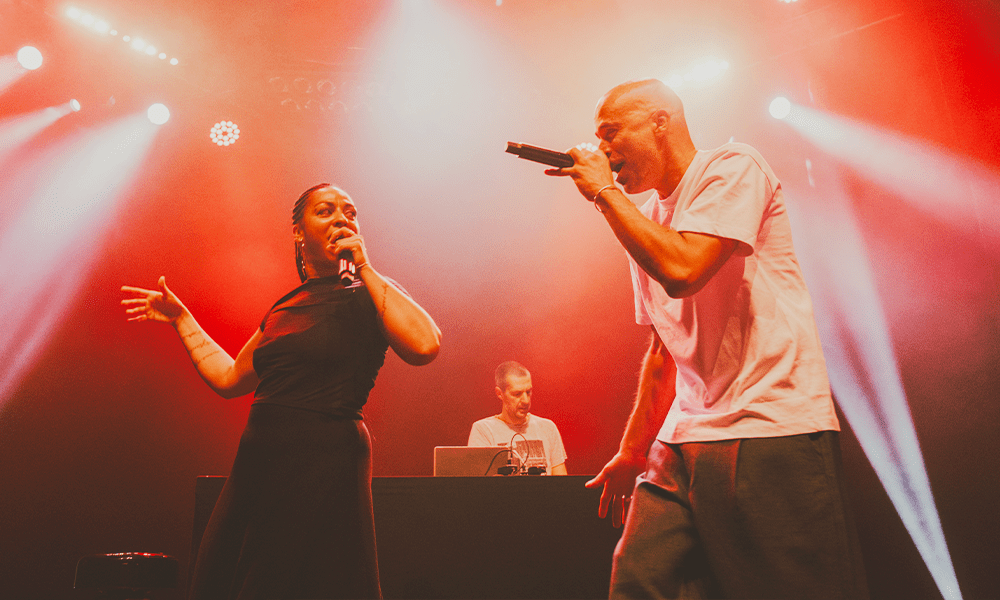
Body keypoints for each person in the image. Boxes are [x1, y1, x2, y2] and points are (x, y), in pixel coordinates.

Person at [547, 79, 868, 599]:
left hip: (768, 423)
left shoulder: (734, 166)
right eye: (596, 140)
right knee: (637, 577)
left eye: (610, 133)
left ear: (659, 122)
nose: (602, 150)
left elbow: (684, 268)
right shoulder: (645, 218)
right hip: (686, 436)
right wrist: (632, 450)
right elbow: (663, 347)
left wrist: (605, 194)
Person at [121, 183, 441, 600]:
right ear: (298, 232)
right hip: (259, 462)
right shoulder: (284, 307)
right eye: (326, 211)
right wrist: (183, 320)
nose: (342, 218)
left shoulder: (371, 292)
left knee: (316, 579)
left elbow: (424, 346)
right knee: (238, 577)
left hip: (325, 459)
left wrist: (364, 266)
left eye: (350, 212)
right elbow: (230, 378)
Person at [468, 361, 567, 475]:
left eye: (528, 392)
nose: (525, 400)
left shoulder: (548, 427)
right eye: (517, 394)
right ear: (499, 393)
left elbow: (561, 482)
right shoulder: (483, 430)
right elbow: (479, 486)